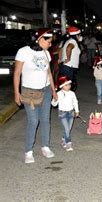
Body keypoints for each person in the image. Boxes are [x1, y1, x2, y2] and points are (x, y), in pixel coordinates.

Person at [14, 28, 58, 163]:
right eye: (49, 42)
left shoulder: (46, 53)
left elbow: (49, 73)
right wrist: (17, 93)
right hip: (29, 92)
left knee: (45, 120)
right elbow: (17, 73)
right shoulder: (23, 52)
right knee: (33, 121)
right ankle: (28, 150)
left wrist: (53, 90)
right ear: (40, 39)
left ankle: (45, 146)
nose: (50, 45)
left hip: (46, 90)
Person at [51, 75, 79, 151]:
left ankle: (64, 138)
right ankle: (68, 144)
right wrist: (54, 99)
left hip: (71, 113)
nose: (69, 86)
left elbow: (75, 102)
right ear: (62, 86)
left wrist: (77, 111)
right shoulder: (59, 94)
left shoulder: (72, 93)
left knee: (68, 129)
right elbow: (54, 104)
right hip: (62, 113)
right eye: (66, 85)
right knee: (67, 129)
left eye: (69, 84)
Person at [60, 26, 83, 91]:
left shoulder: (68, 40)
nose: (80, 36)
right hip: (69, 67)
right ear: (76, 35)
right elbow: (69, 48)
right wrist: (68, 58)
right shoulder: (73, 41)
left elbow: (61, 49)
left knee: (64, 85)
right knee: (67, 87)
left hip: (66, 66)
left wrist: (60, 59)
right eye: (79, 34)